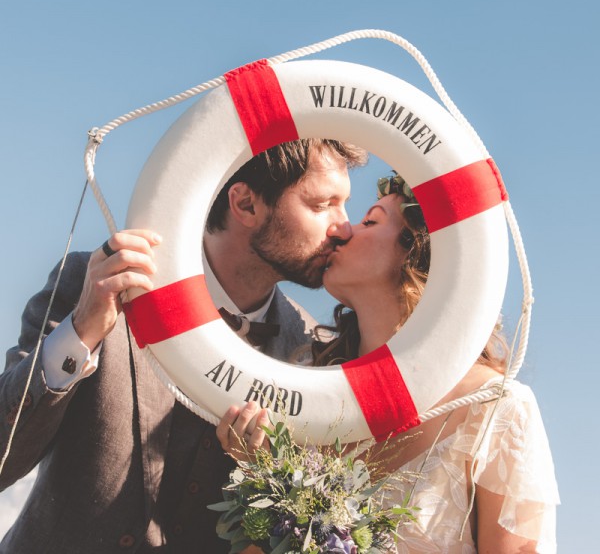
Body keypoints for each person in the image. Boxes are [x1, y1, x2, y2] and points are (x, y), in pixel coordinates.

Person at [0, 138, 366, 553]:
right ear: (245, 204)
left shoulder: (309, 352)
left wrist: (270, 472)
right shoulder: (97, 284)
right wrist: (81, 329)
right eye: (322, 205)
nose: (345, 226)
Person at [218, 173, 559, 553]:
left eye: (370, 221)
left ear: (413, 253)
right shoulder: (310, 399)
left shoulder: (494, 407)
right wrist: (265, 475)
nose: (342, 231)